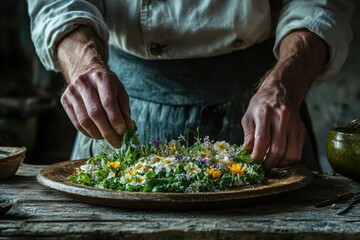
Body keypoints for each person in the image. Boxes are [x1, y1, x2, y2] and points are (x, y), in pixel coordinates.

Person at [27, 1, 354, 171]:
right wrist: (84, 63)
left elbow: (320, 4)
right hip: (122, 101)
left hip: (263, 108)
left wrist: (284, 85)